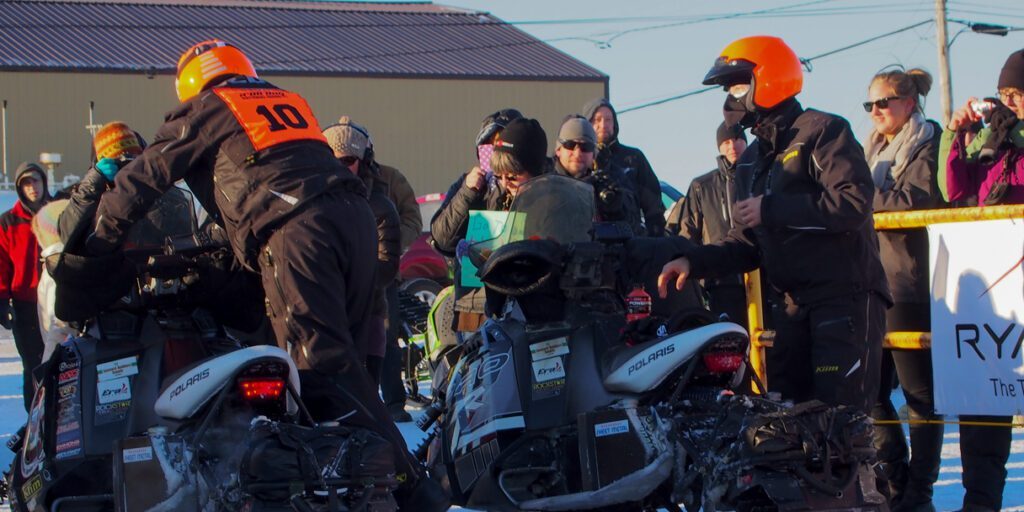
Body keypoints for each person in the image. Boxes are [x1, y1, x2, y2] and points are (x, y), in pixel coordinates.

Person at [76, 40, 445, 509]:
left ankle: (412, 490)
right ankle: (353, 485)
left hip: (298, 232)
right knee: (339, 369)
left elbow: (148, 174)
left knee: (320, 370)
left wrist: (99, 237)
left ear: (189, 83)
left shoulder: (210, 106)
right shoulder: (282, 99)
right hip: (353, 220)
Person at [655, 36, 890, 413]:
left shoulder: (823, 132)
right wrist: (692, 262)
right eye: (728, 89)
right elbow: (746, 242)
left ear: (767, 79)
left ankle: (877, 473)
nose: (731, 98)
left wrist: (773, 209)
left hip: (844, 297)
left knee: (839, 420)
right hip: (792, 305)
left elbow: (852, 203)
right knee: (788, 417)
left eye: (737, 85)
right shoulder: (752, 161)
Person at [939, 48, 1024, 512]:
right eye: (1006, 93)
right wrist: (959, 134)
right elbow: (954, 189)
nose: (1010, 103)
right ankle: (980, 502)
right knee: (984, 398)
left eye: (1019, 94)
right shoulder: (993, 139)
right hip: (994, 289)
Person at [862, 67, 944, 512]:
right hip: (872, 282)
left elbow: (914, 199)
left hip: (910, 281)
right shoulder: (870, 149)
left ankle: (920, 492)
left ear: (909, 103)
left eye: (884, 102)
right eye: (869, 104)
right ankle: (896, 479)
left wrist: (859, 198)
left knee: (919, 395)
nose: (875, 112)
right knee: (870, 390)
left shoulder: (928, 142)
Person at [430, 109, 529, 334]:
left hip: (524, 300)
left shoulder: (536, 183)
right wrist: (468, 192)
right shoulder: (470, 184)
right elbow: (441, 239)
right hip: (474, 304)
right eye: (490, 145)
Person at [322, 116, 400, 393]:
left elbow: (387, 266)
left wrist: (344, 279)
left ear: (362, 162)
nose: (340, 167)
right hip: (325, 315)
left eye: (348, 161)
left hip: (367, 316)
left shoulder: (380, 207)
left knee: (364, 397)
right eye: (333, 159)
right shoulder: (313, 204)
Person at [669, 122, 750, 330]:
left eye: (738, 139)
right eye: (726, 141)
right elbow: (688, 234)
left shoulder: (761, 177)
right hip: (722, 282)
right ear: (719, 147)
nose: (733, 146)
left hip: (764, 281)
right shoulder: (702, 186)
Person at [0, 162, 52, 411]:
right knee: (31, 364)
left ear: (45, 183)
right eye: (26, 183)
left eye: (37, 181)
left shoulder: (56, 213)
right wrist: (2, 300)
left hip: (56, 302)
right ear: (20, 188)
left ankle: (57, 419)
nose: (33, 188)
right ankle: (33, 421)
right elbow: (1, 264)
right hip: (25, 305)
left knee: (56, 362)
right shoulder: (8, 222)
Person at [582, 98, 666, 236]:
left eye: (608, 120)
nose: (603, 125)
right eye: (597, 120)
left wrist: (655, 239)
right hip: (586, 238)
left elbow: (653, 206)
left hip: (629, 238)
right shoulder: (578, 157)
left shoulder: (634, 157)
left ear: (614, 123)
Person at [552, 115, 642, 233]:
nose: (578, 152)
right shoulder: (543, 183)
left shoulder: (604, 185)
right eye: (570, 145)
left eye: (586, 147)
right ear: (558, 150)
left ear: (594, 155)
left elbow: (633, 229)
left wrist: (616, 210)